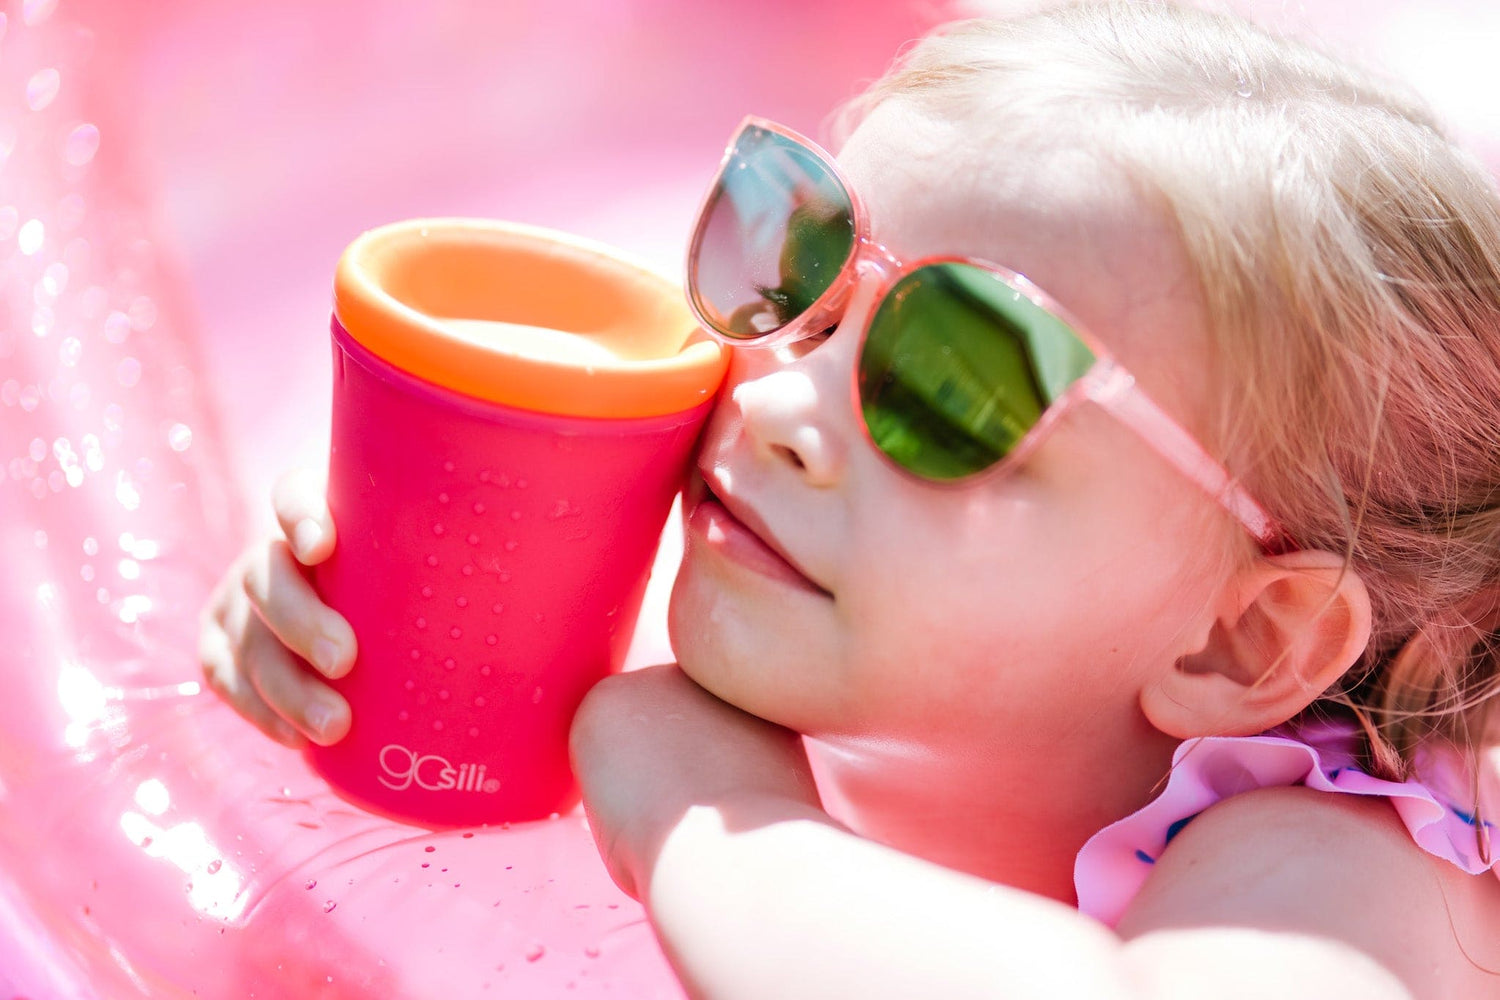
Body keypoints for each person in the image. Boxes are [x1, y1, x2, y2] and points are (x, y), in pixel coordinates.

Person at [199, 2, 1500, 995]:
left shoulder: (1331, 878)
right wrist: (376, 631)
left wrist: (719, 821)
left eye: (951, 382)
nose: (773, 406)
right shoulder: (842, 627)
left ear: (1244, 640)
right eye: (796, 271)